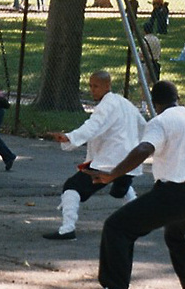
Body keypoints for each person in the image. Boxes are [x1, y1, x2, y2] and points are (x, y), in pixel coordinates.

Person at [78, 79, 185, 289]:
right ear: (177, 99)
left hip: (176, 192)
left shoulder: (159, 121)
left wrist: (113, 174)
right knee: (177, 233)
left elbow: (144, 149)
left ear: (155, 103)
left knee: (117, 227)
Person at [42, 70, 144, 240]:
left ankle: (67, 228)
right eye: (90, 85)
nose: (92, 90)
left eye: (96, 86)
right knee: (122, 185)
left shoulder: (107, 104)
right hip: (127, 163)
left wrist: (70, 137)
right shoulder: (125, 103)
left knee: (72, 186)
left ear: (108, 86)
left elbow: (92, 126)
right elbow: (143, 125)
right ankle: (142, 221)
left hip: (109, 161)